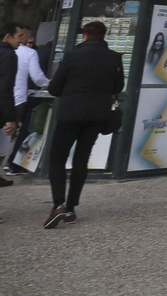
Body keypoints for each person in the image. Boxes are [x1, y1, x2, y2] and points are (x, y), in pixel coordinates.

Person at [45, 20, 124, 228]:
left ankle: (58, 204)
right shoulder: (114, 57)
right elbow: (118, 86)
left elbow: (54, 88)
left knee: (57, 159)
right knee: (81, 160)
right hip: (97, 115)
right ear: (104, 35)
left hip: (69, 114)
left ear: (86, 36)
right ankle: (71, 208)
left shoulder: (72, 55)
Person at [5, 28, 53, 176]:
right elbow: (37, 77)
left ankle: (10, 164)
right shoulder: (28, 53)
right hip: (17, 98)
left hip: (6, 95)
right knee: (21, 131)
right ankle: (14, 164)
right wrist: (50, 84)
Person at [0, 24, 21, 192]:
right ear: (7, 36)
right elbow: (5, 88)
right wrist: (9, 118)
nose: (22, 40)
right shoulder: (8, 55)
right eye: (18, 36)